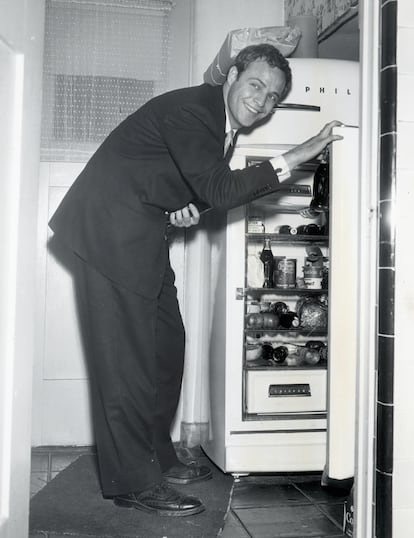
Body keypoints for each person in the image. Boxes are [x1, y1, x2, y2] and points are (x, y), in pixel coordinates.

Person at [49, 43, 343, 517]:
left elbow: (195, 182)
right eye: (255, 85)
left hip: (141, 228)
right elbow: (222, 188)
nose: (262, 101)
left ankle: (157, 453)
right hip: (108, 232)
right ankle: (133, 480)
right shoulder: (194, 111)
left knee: (167, 345)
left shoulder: (216, 123)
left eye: (273, 96)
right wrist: (303, 152)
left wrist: (186, 202)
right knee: (125, 361)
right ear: (230, 77)